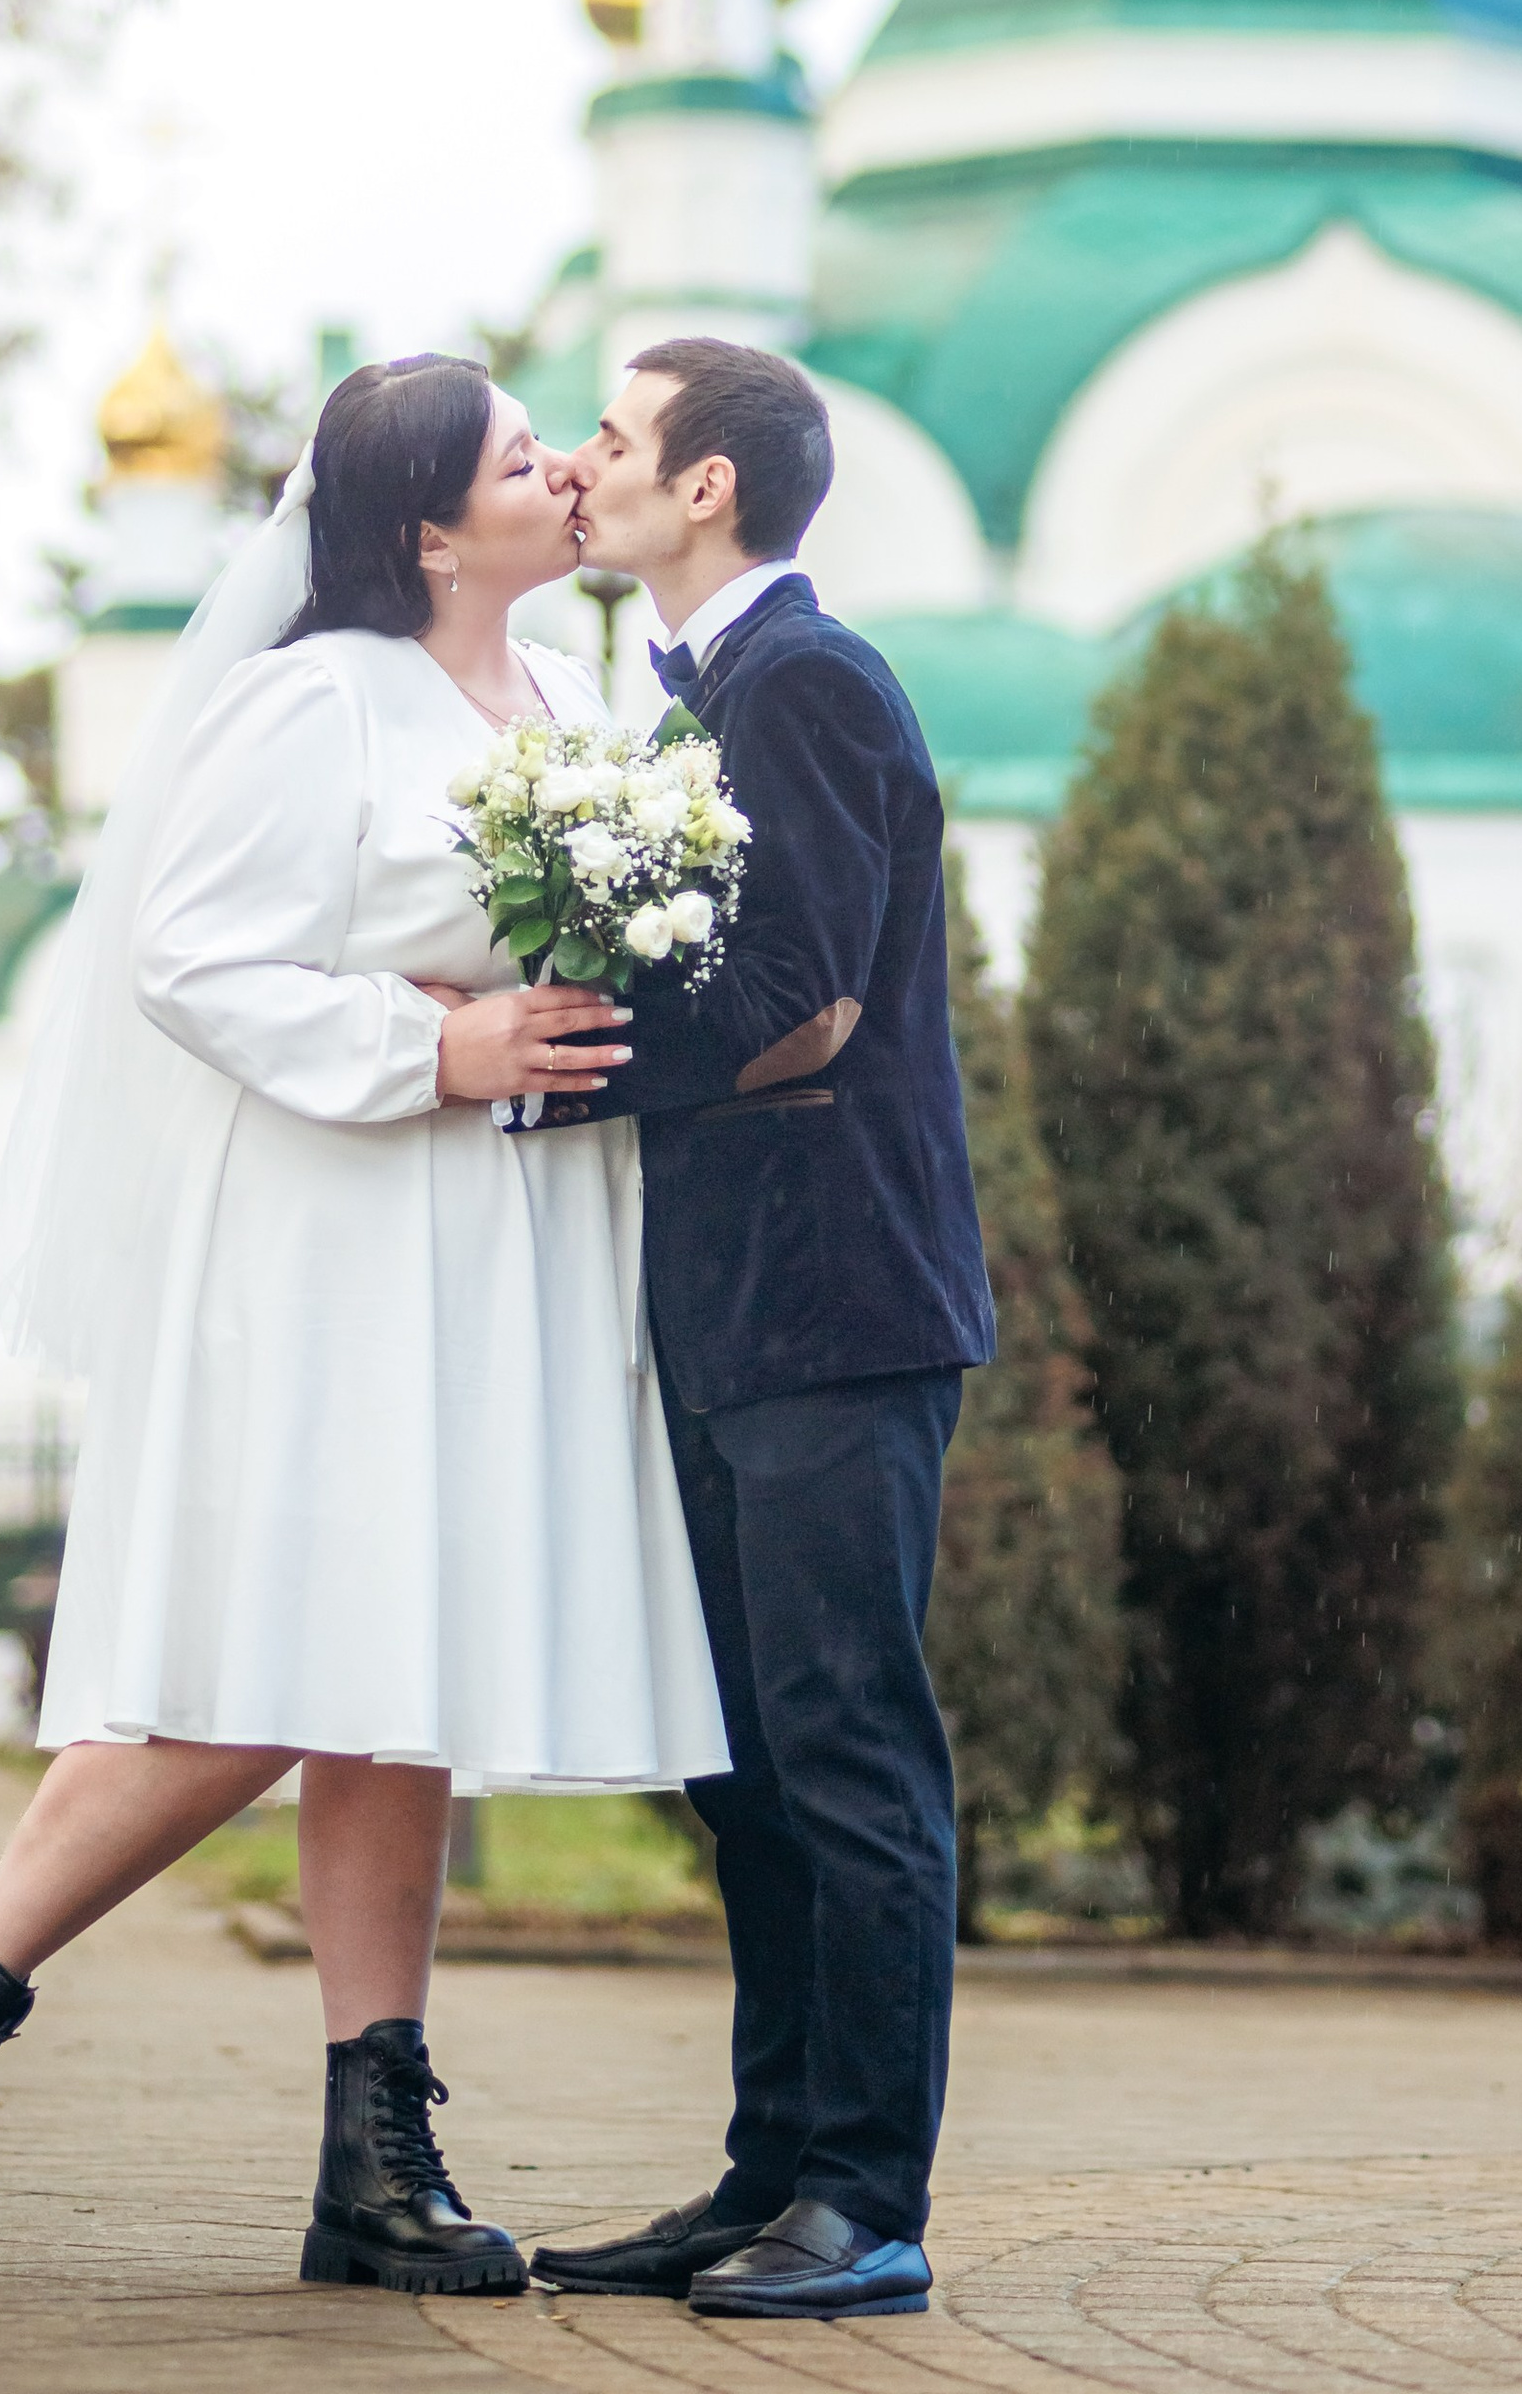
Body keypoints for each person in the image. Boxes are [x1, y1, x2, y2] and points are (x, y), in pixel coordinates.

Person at [0, 358, 726, 2294]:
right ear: (424, 534)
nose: (559, 471)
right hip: (324, 1230)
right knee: (260, 1675)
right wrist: (428, 1043)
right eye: (510, 458)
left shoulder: (566, 701)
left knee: (400, 1682)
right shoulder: (309, 699)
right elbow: (185, 956)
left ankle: (370, 2166)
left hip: (489, 1239)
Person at [528, 339, 994, 2324]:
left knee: (845, 1752)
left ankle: (864, 2207)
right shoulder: (691, 702)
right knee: (746, 1769)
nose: (582, 462)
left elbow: (800, 1002)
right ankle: (763, 2177)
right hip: (736, 1299)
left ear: (706, 487)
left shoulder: (803, 687)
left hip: (834, 1296)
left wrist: (543, 1076)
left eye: (615, 438)